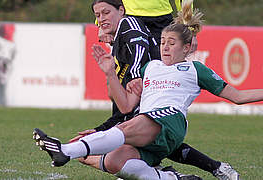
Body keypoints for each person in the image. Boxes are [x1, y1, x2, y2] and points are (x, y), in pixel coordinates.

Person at [33, 0, 263, 179]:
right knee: (114, 161)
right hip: (148, 127)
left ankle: (65, 150)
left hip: (169, 123)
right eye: (162, 42)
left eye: (171, 43)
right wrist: (110, 73)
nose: (164, 47)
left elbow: (239, 97)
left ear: (187, 47)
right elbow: (125, 106)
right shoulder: (150, 67)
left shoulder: (195, 69)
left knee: (128, 126)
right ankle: (172, 178)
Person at [0, 23, 16, 106]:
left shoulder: (0, 40)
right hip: (5, 61)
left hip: (3, 61)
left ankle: (3, 102)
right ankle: (2, 102)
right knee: (3, 82)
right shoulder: (11, 43)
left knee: (3, 82)